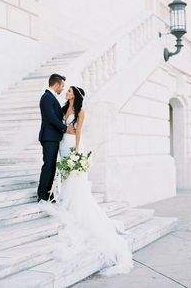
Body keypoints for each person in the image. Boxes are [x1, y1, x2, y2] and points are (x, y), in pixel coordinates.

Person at [39, 85, 133, 276]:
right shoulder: (64, 109)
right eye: (66, 91)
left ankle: (74, 204)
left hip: (73, 146)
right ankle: (64, 198)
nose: (66, 93)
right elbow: (60, 124)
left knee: (75, 178)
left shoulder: (81, 112)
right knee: (65, 175)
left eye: (69, 92)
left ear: (76, 95)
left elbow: (78, 131)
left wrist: (76, 150)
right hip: (62, 144)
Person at [38, 73, 75, 202]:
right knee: (48, 165)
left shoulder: (50, 97)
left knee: (52, 166)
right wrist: (65, 128)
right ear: (57, 84)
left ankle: (48, 193)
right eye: (62, 86)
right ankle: (42, 195)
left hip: (53, 137)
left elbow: (56, 116)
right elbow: (51, 117)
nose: (62, 89)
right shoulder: (47, 97)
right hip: (49, 137)